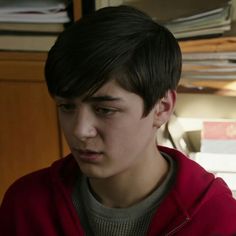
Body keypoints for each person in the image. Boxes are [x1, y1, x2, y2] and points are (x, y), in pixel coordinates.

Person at [1, 5, 236, 236]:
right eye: (67, 106)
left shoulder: (218, 220)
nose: (80, 130)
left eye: (104, 109)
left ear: (161, 108)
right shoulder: (25, 205)